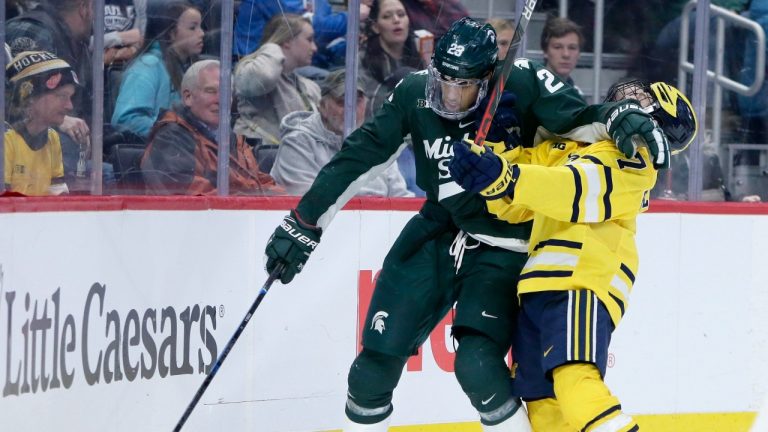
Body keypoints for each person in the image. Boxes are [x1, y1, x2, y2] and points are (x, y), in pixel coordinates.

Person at [262, 17, 670, 431]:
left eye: (465, 86)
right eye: (444, 82)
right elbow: (359, 155)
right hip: (438, 227)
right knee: (372, 369)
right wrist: (305, 222)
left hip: (505, 245)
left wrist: (618, 117)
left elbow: (581, 119)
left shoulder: (524, 81)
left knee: (478, 367)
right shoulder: (414, 92)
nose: (452, 97)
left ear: (488, 77)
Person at [448, 79, 697, 432]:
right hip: (536, 287)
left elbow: (574, 189)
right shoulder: (573, 144)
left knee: (575, 380)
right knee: (543, 405)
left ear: (657, 121)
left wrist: (507, 177)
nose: (632, 94)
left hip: (581, 282)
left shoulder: (635, 159)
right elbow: (513, 207)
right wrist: (500, 146)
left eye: (645, 98)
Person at [140, 60, 281, 196]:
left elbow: (260, 183)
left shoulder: (233, 140)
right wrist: (253, 202)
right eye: (211, 91)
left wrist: (283, 201)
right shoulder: (170, 140)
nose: (221, 100)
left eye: (227, 92)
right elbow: (192, 198)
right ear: (188, 97)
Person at [272, 69, 413, 197]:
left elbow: (401, 198)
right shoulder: (298, 142)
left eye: (357, 101)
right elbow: (307, 202)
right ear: (323, 106)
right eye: (342, 102)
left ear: (366, 104)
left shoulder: (377, 143)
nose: (350, 110)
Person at [6, 0, 95, 184]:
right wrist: (61, 120)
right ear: (85, 8)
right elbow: (13, 104)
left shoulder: (78, 44)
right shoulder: (34, 32)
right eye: (95, 8)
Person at [111, 0, 204, 139]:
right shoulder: (147, 67)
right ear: (172, 33)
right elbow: (126, 120)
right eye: (192, 28)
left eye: (201, 27)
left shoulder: (188, 67)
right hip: (157, 150)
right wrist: (176, 131)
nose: (202, 33)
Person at [233, 14, 321, 147]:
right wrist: (272, 46)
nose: (314, 48)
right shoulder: (251, 70)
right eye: (309, 40)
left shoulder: (307, 85)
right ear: (287, 41)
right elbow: (265, 77)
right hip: (257, 155)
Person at [4, 51, 80, 196]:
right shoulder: (5, 139)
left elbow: (58, 195)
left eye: (70, 97)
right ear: (30, 97)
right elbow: (4, 204)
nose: (69, 106)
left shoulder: (52, 137)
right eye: (62, 96)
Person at [359, 0, 425, 108]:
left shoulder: (419, 55)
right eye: (387, 16)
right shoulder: (362, 61)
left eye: (401, 14)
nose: (396, 20)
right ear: (375, 27)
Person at [540, 15, 585, 100]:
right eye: (557, 47)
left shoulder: (578, 96)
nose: (566, 54)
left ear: (579, 53)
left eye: (572, 48)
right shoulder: (528, 86)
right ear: (545, 51)